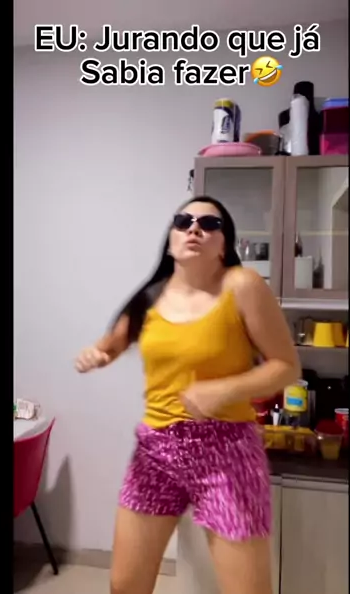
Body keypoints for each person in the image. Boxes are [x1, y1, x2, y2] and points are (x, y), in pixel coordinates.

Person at [75, 196, 301, 594]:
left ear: (224, 246)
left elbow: (286, 366)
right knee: (125, 586)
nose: (194, 228)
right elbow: (110, 345)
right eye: (184, 221)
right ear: (170, 241)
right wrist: (96, 355)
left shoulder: (243, 286)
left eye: (210, 224)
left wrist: (226, 389)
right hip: (155, 451)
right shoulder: (151, 297)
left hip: (227, 452)